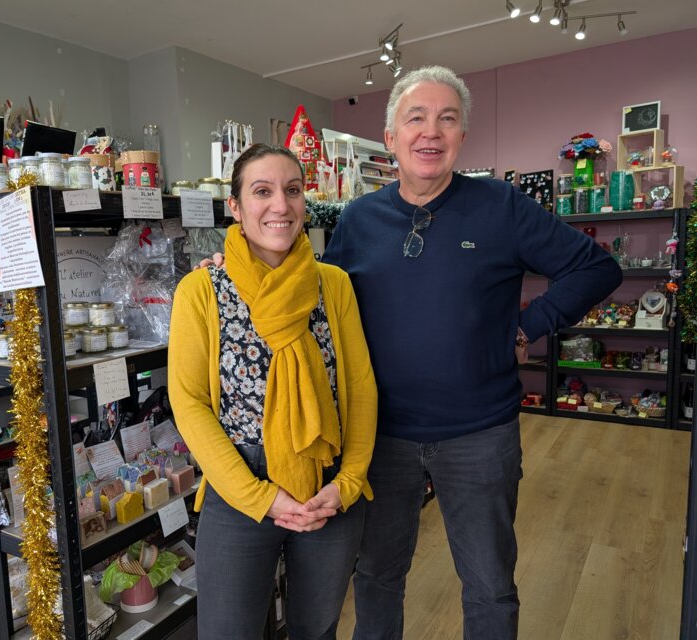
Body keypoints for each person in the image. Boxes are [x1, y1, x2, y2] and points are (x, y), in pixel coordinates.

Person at [320, 65, 623, 639]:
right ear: (390, 139)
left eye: (447, 119)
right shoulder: (359, 220)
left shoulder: (501, 206)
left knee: (488, 584)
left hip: (479, 436)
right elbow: (321, 303)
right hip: (379, 436)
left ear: (461, 138)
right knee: (377, 574)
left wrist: (530, 324)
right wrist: (234, 272)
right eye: (416, 118)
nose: (430, 132)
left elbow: (595, 267)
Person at [168, 143, 378, 640]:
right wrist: (260, 497)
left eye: (292, 190)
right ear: (235, 207)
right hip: (239, 486)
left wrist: (347, 483)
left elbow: (361, 389)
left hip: (325, 487)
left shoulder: (333, 285)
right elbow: (189, 402)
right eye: (262, 192)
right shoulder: (202, 291)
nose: (280, 206)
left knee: (316, 630)